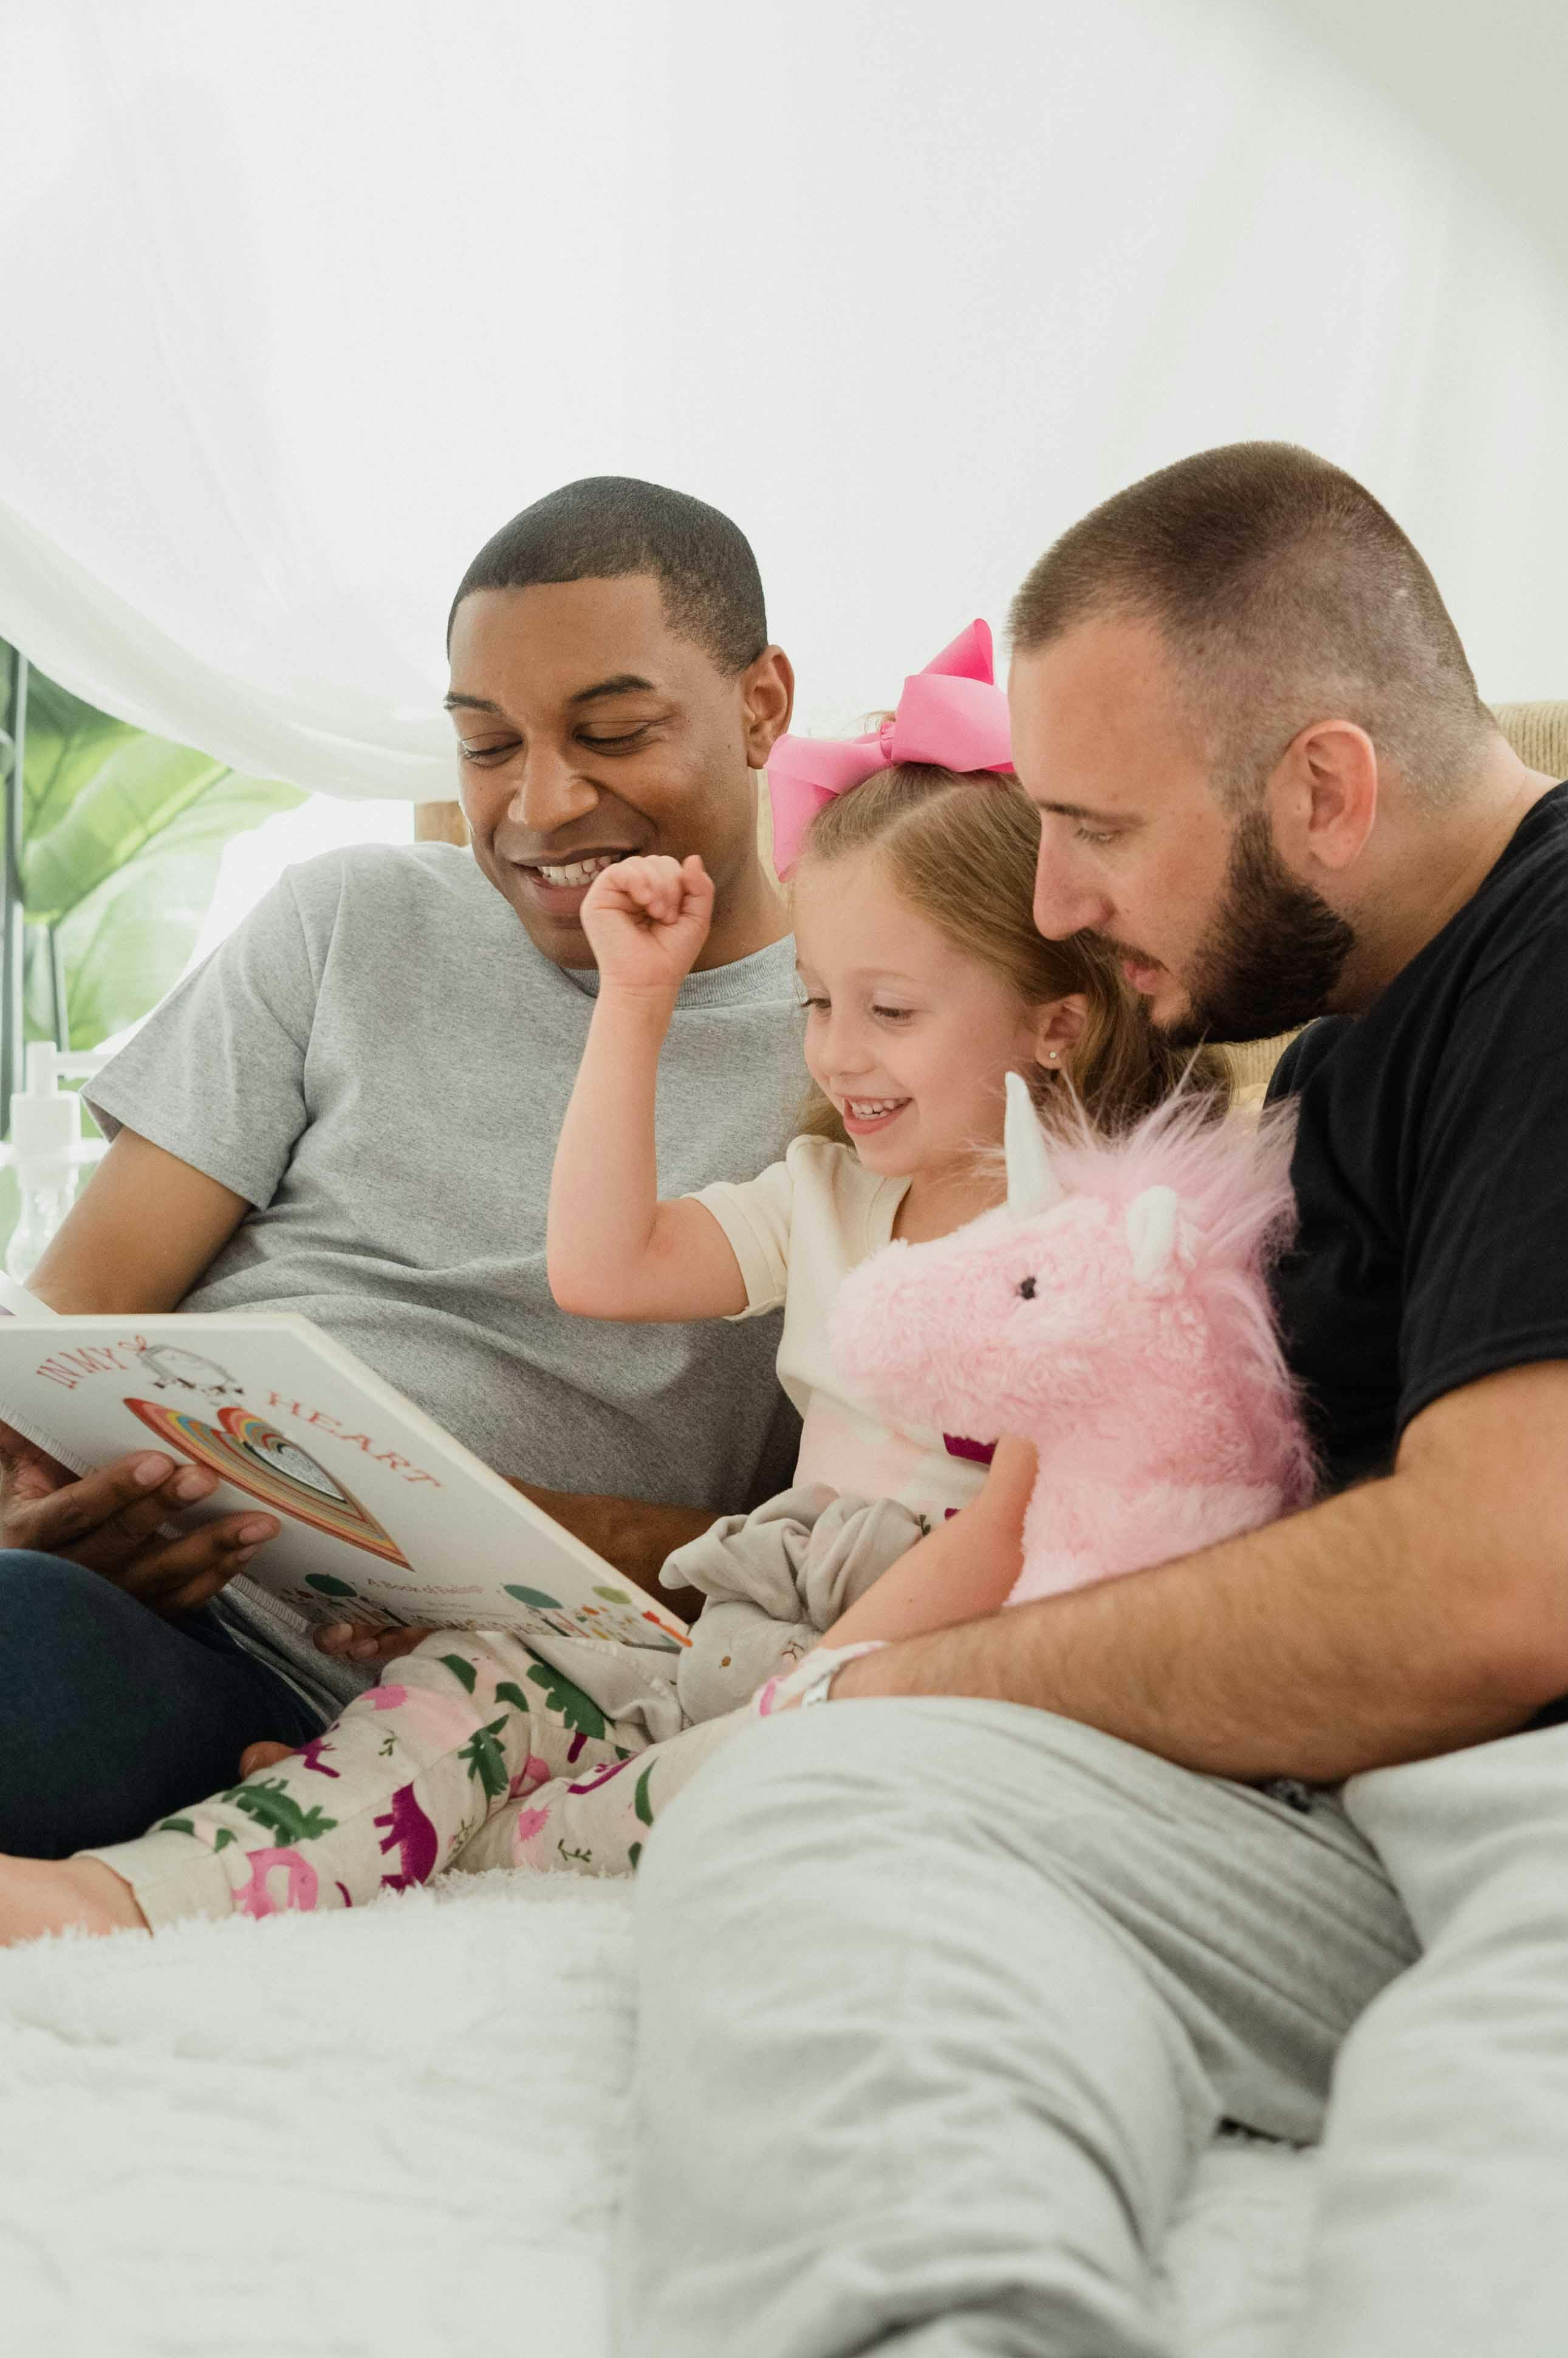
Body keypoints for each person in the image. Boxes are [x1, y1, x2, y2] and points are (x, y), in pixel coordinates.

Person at [615, 442, 1568, 2358]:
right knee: (815, 1819)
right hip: (1399, 1808)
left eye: (1096, 828)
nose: (1052, 893)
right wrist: (868, 1712)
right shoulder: (1345, 1063)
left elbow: (1512, 1586)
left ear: (1324, 789)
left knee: (1509, 2084)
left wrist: (935, 1678)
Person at [0, 636, 1198, 1938]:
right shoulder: (829, 1191)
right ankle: (130, 1889)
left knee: (665, 1788)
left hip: (909, 1645)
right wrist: (637, 997)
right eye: (814, 1005)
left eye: (889, 1011)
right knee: (482, 1677)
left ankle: (373, 1841)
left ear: (1055, 1024)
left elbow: (1008, 1533)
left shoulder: (1096, 1242)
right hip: (754, 1617)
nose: (839, 1054)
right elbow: (604, 1262)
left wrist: (808, 1692)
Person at [0, 476, 810, 1863]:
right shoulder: (349, 917)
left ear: (762, 705)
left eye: (612, 731)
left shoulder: (869, 1043)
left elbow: (821, 1537)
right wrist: (51, 1505)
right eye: (487, 744)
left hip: (453, 1690)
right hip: (148, 1591)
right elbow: (69, 1324)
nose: (541, 804)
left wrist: (439, 1535)